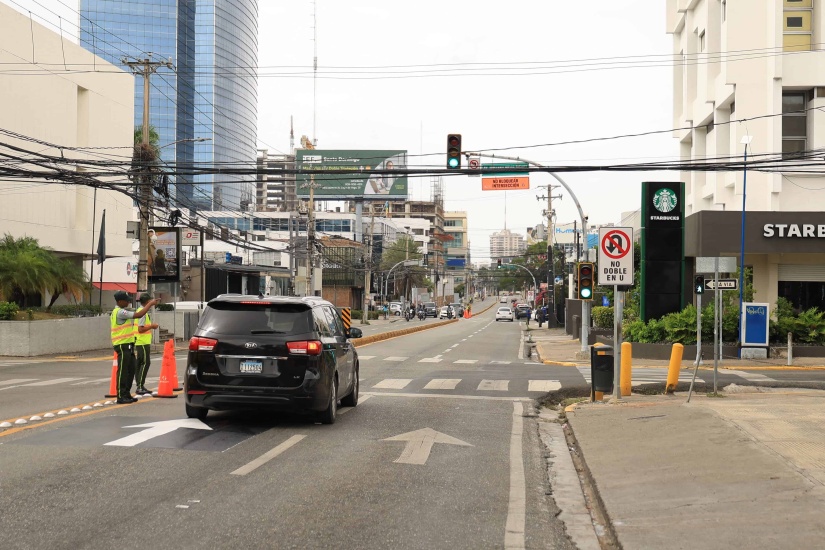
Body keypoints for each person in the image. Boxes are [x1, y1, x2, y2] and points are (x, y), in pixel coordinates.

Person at [110, 290, 159, 404]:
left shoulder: (123, 310)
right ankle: (121, 395)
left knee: (131, 369)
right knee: (123, 371)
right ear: (120, 301)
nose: (128, 302)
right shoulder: (119, 312)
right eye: (126, 300)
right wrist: (150, 304)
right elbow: (138, 314)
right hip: (122, 344)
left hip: (129, 344)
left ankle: (127, 393)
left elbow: (136, 311)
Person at [134, 293, 160, 396]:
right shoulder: (142, 313)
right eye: (150, 301)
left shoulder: (141, 311)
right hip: (142, 342)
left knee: (140, 363)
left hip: (141, 341)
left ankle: (140, 385)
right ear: (147, 302)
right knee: (146, 363)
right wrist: (152, 326)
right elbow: (140, 329)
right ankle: (140, 386)